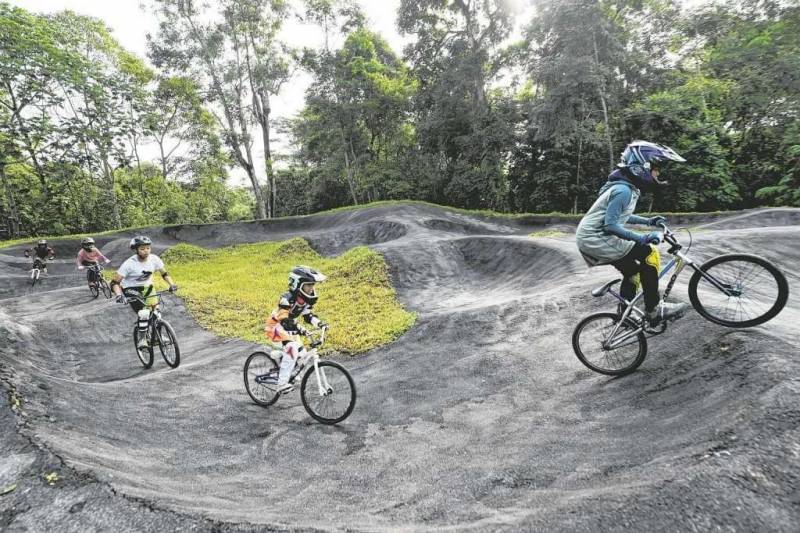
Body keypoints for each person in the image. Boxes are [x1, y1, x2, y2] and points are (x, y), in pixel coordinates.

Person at [576, 140, 689, 324]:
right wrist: (643, 238)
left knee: (633, 273)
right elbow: (610, 226)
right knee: (649, 253)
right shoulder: (623, 191)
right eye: (655, 168)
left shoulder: (627, 188)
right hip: (595, 238)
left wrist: (648, 221)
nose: (657, 173)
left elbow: (623, 216)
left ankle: (623, 317)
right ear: (642, 166)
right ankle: (654, 309)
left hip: (592, 237)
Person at [264, 266, 329, 393]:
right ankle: (281, 384)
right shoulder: (286, 299)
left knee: (303, 353)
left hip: (289, 329)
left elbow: (308, 316)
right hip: (275, 327)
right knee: (292, 349)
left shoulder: (305, 300)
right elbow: (284, 320)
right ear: (297, 284)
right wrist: (300, 328)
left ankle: (284, 364)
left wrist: (320, 324)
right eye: (308, 285)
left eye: (312, 285)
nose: (311, 289)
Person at [111, 236, 178, 348]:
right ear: (136, 250)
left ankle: (158, 336)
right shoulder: (129, 264)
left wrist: (172, 284)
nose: (146, 251)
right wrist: (119, 295)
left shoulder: (154, 259)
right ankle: (142, 339)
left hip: (148, 288)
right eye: (142, 249)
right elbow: (114, 283)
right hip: (131, 289)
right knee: (144, 313)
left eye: (148, 248)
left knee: (156, 313)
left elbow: (164, 274)